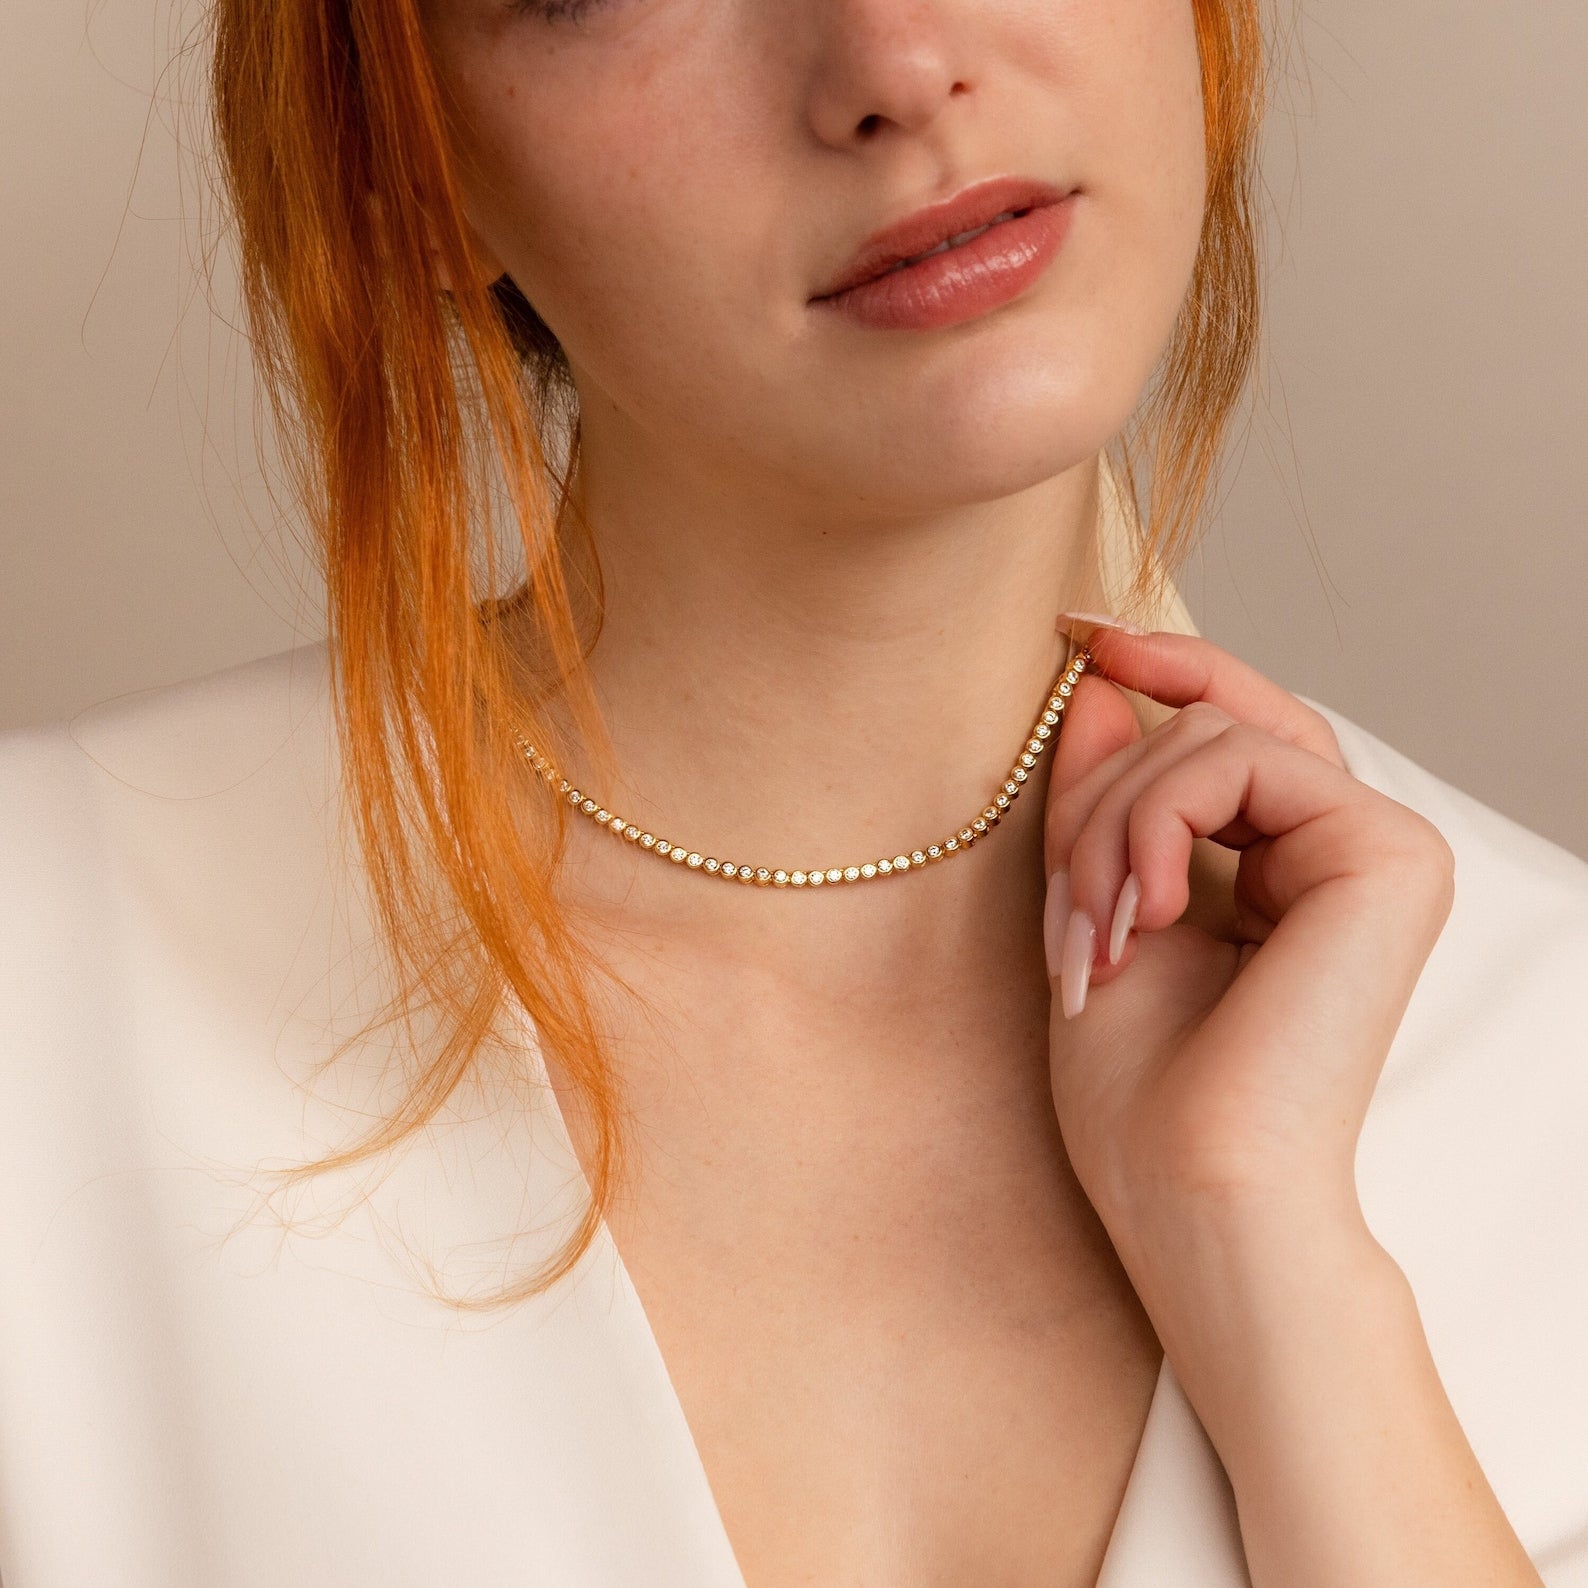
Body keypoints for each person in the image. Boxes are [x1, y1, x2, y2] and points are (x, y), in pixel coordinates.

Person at [1, 2, 1584, 1584]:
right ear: (401, 177)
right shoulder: (45, 984)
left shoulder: (1543, 1045)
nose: (896, 67)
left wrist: (1280, 1270)